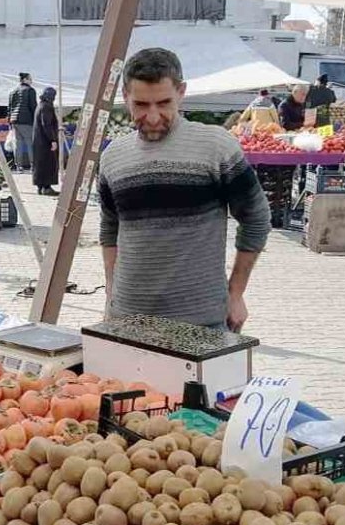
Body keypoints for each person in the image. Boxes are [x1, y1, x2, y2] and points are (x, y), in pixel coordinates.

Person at [98, 47, 269, 331]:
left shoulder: (217, 148)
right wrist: (110, 293)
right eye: (141, 105)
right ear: (125, 97)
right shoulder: (113, 157)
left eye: (163, 103)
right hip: (128, 319)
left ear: (181, 92)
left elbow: (257, 219)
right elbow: (110, 228)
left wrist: (236, 293)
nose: (153, 116)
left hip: (201, 321)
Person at [32, 86, 60, 195]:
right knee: (48, 163)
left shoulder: (40, 106)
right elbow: (46, 124)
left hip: (39, 141)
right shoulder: (47, 107)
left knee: (40, 164)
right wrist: (52, 140)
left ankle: (41, 187)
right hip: (45, 141)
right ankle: (47, 187)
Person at [7, 72, 37, 171]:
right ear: (25, 80)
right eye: (30, 79)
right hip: (26, 120)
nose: (31, 81)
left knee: (17, 144)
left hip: (14, 120)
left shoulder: (13, 91)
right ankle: (33, 165)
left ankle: (19, 166)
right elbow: (33, 106)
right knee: (30, 143)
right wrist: (36, 120)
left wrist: (9, 121)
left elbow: (10, 108)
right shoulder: (30, 90)